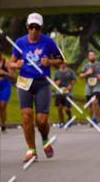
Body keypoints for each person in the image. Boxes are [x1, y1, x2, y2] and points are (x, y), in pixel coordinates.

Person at [9, 12, 63, 163]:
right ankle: (32, 150)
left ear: (41, 28)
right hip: (25, 81)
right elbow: (10, 62)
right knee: (26, 116)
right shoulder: (20, 42)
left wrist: (49, 63)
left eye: (37, 27)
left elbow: (61, 59)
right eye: (31, 27)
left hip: (42, 82)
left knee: (41, 120)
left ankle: (45, 139)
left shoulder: (48, 41)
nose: (34, 30)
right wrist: (16, 65)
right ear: (27, 26)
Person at [79, 50, 100, 123]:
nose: (92, 56)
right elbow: (80, 75)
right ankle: (93, 120)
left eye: (93, 55)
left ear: (95, 56)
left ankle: (95, 117)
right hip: (88, 87)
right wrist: (87, 73)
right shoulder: (86, 66)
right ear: (88, 57)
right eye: (90, 55)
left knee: (95, 101)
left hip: (97, 86)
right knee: (90, 105)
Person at [53, 60, 77, 127]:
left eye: (64, 63)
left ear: (66, 63)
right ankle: (61, 122)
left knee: (66, 108)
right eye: (61, 63)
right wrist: (57, 82)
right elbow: (53, 81)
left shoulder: (70, 72)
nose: (62, 64)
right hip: (59, 92)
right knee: (59, 108)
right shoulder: (57, 72)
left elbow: (75, 80)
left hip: (68, 93)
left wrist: (70, 85)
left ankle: (70, 117)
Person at [0, 49, 12, 132]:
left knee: (2, 107)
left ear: (1, 53)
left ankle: (3, 125)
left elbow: (11, 76)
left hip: (5, 85)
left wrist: (5, 73)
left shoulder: (7, 62)